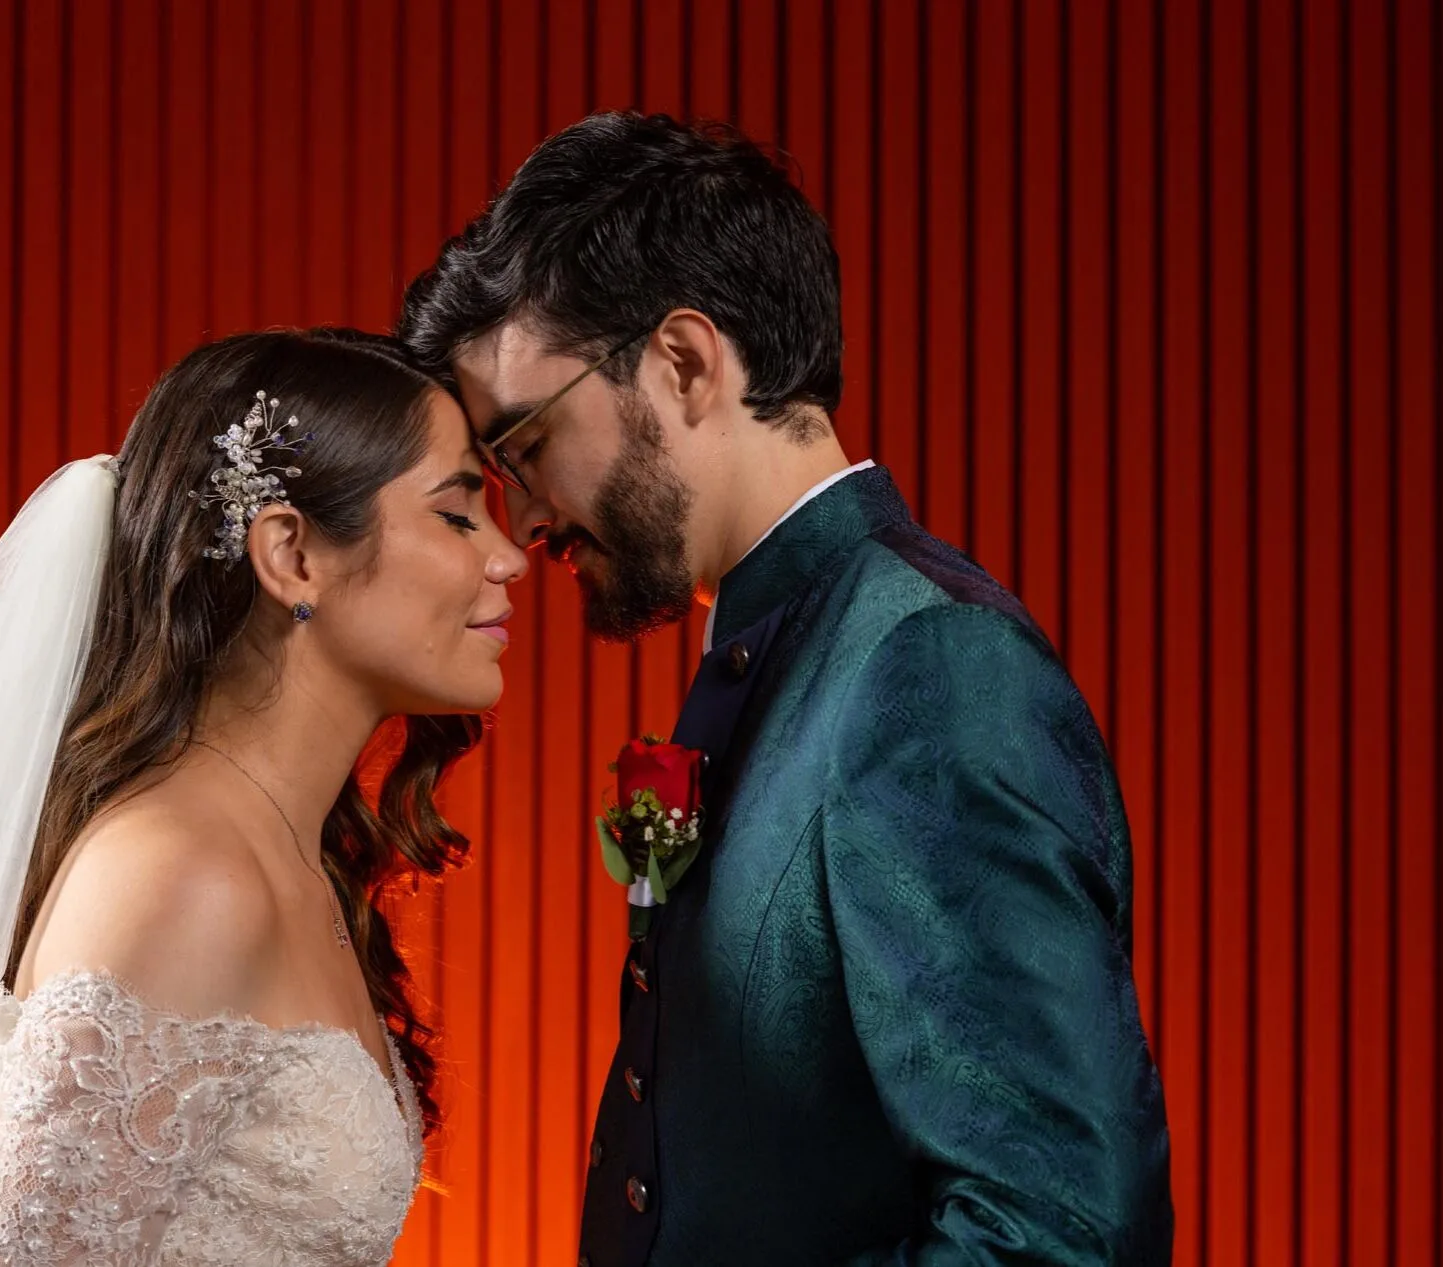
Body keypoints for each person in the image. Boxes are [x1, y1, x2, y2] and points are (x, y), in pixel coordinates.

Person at [400, 111, 1173, 1266]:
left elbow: (1057, 1233)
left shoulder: (929, 668)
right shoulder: (782, 646)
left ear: (683, 362)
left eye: (520, 449)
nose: (527, 524)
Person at [0, 329, 527, 1267]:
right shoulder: (184, 873)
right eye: (459, 515)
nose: (508, 559)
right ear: (291, 555)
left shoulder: (282, 859)